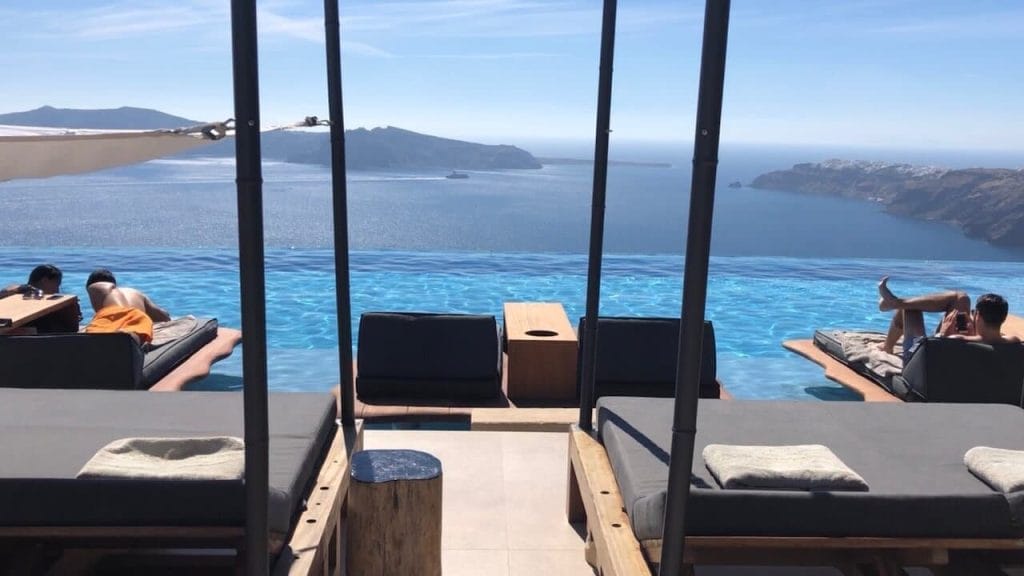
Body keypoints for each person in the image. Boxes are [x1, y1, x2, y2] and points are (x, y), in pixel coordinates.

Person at [877, 276, 1019, 363]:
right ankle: (897, 302)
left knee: (911, 310)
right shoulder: (1014, 342)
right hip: (959, 353)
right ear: (1003, 318)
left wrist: (944, 334)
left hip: (921, 358)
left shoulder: (957, 340)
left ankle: (888, 343)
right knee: (961, 298)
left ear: (978, 316)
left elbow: (932, 351)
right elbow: (993, 341)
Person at [84, 268, 170, 344]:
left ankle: (124, 339)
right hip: (138, 316)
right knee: (136, 332)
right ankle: (130, 338)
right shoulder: (135, 292)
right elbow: (164, 316)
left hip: (110, 314)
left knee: (94, 338)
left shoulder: (94, 287)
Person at [0, 264, 82, 332]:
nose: (57, 290)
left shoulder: (53, 299)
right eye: (56, 285)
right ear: (45, 280)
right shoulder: (19, 291)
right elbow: (6, 291)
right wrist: (24, 288)